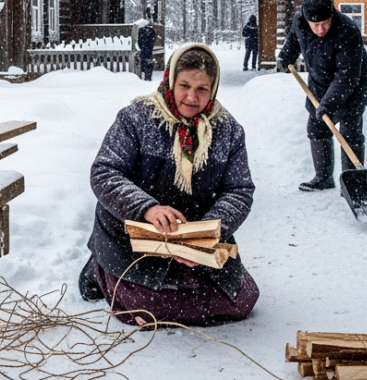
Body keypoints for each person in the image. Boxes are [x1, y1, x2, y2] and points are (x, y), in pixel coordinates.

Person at [80, 44, 259, 326]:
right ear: (170, 80)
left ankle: (127, 280)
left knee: (240, 300)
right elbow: (105, 172)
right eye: (184, 85)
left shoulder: (228, 130)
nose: (192, 96)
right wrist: (147, 208)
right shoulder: (136, 118)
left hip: (194, 233)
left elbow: (239, 190)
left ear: (213, 89)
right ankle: (99, 268)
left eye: (202, 88)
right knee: (148, 309)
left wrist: (206, 235)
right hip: (134, 233)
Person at [276, 0, 367, 192]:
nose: (320, 29)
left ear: (332, 16)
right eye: (315, 24)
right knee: (317, 128)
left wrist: (328, 104)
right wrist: (286, 56)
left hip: (353, 85)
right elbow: (294, 39)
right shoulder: (300, 22)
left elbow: (347, 77)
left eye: (325, 23)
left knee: (349, 132)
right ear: (306, 19)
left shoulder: (347, 31)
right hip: (319, 81)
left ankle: (352, 182)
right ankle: (323, 178)